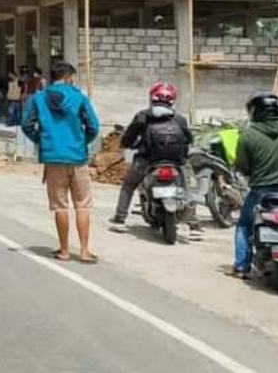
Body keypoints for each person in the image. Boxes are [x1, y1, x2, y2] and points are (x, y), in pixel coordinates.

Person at [23, 61, 101, 264]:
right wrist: (81, 142)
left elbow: (26, 125)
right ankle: (84, 251)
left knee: (60, 206)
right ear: (68, 77)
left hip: (53, 158)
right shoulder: (79, 98)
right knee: (82, 205)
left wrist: (42, 141)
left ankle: (64, 250)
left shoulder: (38, 98)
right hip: (77, 157)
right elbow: (93, 126)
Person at [109, 83, 201, 237]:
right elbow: (189, 140)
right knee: (188, 187)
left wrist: (130, 144)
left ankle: (120, 219)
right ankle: (194, 225)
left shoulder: (142, 116)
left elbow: (127, 140)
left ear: (152, 98)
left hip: (146, 161)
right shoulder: (180, 119)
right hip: (176, 162)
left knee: (129, 184)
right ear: (172, 100)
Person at [227, 92, 278, 279]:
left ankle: (241, 267)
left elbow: (242, 166)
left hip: (261, 191)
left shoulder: (248, 135)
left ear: (255, 111)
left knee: (244, 225)